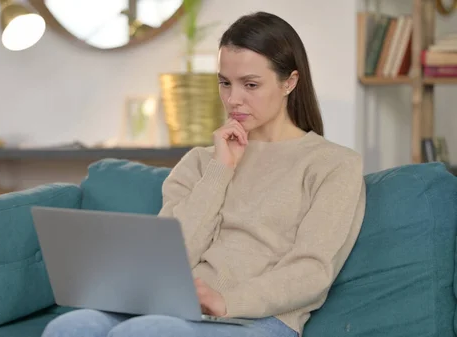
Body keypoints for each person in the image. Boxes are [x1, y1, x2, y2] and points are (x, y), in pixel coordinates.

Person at [41, 11, 366, 337]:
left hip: (260, 319)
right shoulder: (202, 161)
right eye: (225, 83)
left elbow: (311, 271)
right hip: (177, 307)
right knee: (71, 326)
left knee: (143, 332)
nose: (233, 99)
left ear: (289, 82)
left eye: (250, 85)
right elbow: (171, 257)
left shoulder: (333, 165)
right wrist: (220, 170)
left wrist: (226, 300)